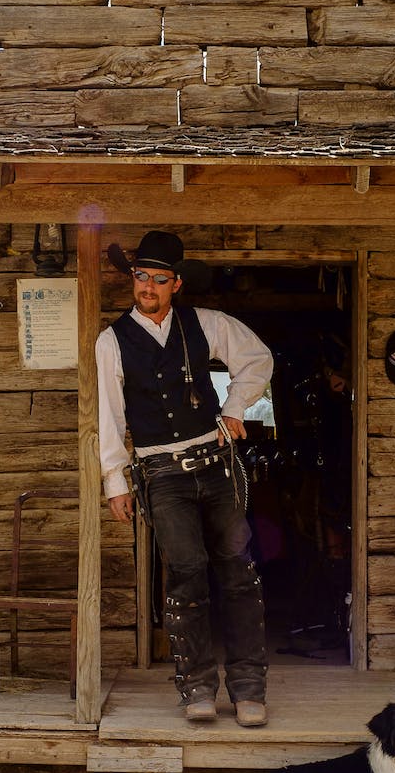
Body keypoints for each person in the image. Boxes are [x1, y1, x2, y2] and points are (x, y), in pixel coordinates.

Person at [96, 230, 274, 728]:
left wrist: (234, 408)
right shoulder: (112, 341)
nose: (146, 286)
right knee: (186, 575)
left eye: (157, 278)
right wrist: (116, 482)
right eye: (140, 276)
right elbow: (108, 417)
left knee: (238, 573)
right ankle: (196, 686)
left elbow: (258, 360)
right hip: (161, 474)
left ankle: (247, 686)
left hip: (216, 466)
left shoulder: (207, 324)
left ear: (176, 284)